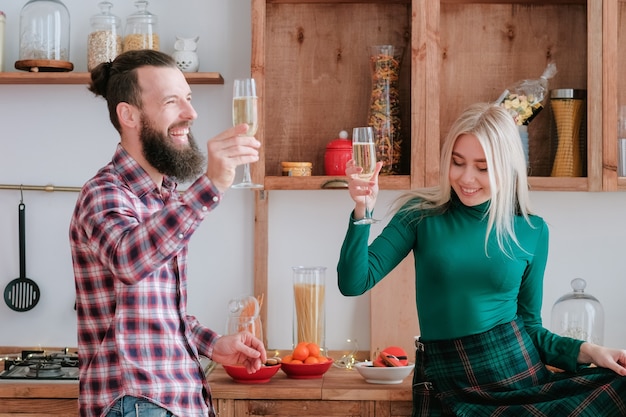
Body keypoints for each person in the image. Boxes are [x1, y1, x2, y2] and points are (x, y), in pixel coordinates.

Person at [337, 102, 626, 416]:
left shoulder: (531, 230)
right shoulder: (420, 215)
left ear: (506, 167)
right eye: (458, 162)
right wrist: (362, 209)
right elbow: (353, 282)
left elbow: (530, 327)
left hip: (517, 377)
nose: (467, 178)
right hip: (444, 381)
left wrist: (591, 351)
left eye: (483, 167)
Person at [69, 50, 266, 417]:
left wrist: (213, 343)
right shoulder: (104, 194)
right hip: (137, 403)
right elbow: (129, 261)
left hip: (171, 401)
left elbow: (152, 313)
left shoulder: (165, 197)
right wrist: (212, 184)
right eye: (172, 102)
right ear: (128, 115)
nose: (191, 114)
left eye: (188, 100)